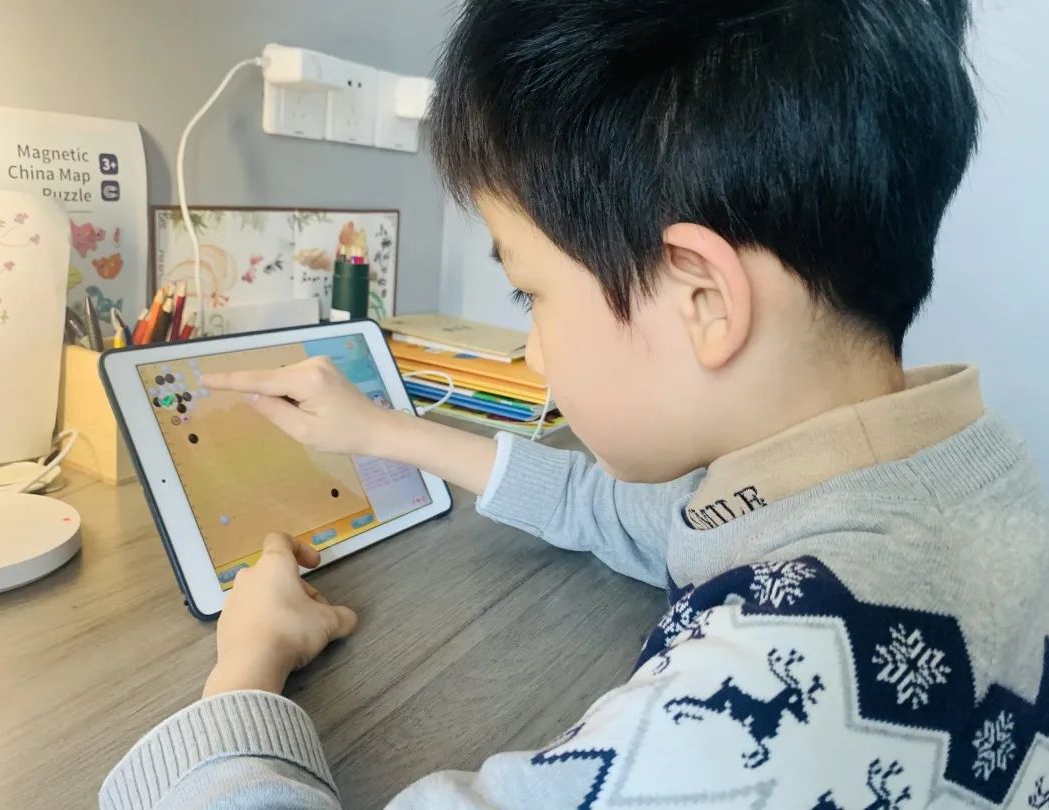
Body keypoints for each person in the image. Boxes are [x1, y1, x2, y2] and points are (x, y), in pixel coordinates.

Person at [102, 0, 1049, 807]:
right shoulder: (957, 476)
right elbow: (654, 520)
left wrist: (246, 670)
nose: (531, 347)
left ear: (704, 300)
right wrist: (386, 433)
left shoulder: (750, 714)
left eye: (531, 294)